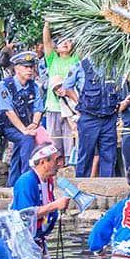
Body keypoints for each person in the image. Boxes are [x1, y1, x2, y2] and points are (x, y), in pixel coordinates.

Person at [60, 53, 121, 179]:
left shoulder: (113, 65)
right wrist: (79, 102)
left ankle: (107, 187)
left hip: (109, 117)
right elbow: (67, 86)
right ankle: (81, 186)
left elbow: (118, 85)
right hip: (89, 118)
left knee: (109, 155)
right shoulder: (81, 66)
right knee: (85, 154)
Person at [0, 50, 43, 185]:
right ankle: (27, 180)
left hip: (29, 125)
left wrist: (34, 124)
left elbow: (38, 109)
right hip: (9, 127)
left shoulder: (34, 86)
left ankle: (12, 184)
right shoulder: (5, 85)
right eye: (25, 67)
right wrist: (24, 130)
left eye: (31, 67)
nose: (29, 70)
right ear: (16, 68)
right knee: (27, 140)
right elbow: (8, 111)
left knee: (18, 152)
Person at [41, 22, 81, 159]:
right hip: (54, 108)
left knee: (71, 145)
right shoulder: (52, 59)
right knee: (55, 147)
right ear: (56, 48)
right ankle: (55, 176)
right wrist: (47, 25)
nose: (65, 43)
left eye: (68, 41)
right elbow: (46, 41)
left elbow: (82, 41)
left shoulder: (76, 59)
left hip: (71, 109)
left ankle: (69, 173)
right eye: (62, 42)